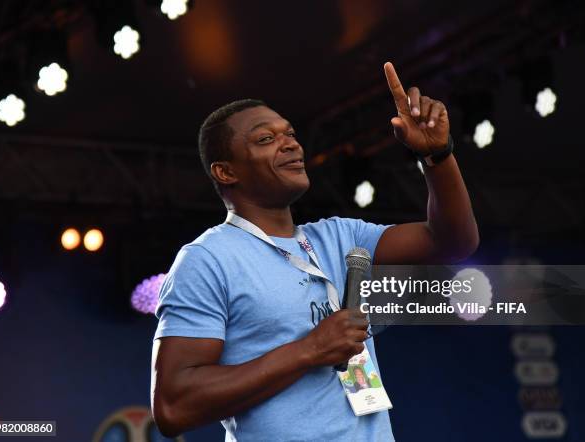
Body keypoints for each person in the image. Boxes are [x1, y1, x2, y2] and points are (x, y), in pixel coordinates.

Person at [150, 62, 479, 441]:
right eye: (265, 139)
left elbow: (452, 241)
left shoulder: (341, 237)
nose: (290, 143)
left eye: (290, 133)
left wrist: (438, 157)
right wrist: (310, 349)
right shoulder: (208, 259)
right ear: (226, 172)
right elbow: (173, 406)